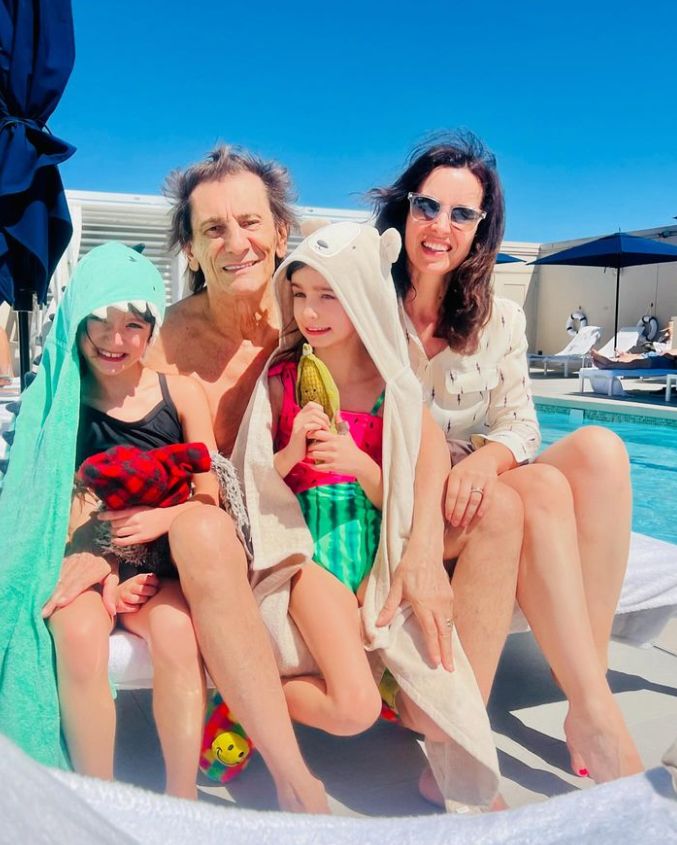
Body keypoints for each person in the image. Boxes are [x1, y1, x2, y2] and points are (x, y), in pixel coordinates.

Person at [38, 148, 328, 813]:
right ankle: (290, 781)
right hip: (185, 544)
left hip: (283, 533)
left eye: (250, 222)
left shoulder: (312, 320)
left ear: (281, 233)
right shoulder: (160, 346)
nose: (236, 243)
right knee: (198, 528)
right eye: (213, 230)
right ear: (191, 250)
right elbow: (96, 464)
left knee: (348, 701)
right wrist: (93, 547)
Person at [369, 131, 643, 789]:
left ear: (482, 227)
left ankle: (588, 687)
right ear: (404, 208)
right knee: (537, 492)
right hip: (401, 491)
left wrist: (481, 463)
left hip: (473, 478)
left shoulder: (499, 316)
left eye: (462, 214)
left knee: (597, 451)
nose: (440, 227)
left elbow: (519, 423)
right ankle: (591, 712)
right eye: (427, 206)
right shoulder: (362, 301)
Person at [235, 221, 501, 811]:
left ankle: (467, 779)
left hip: (369, 548)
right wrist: (290, 454)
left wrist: (360, 464)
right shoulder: (283, 379)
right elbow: (257, 486)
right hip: (310, 557)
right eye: (299, 294)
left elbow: (399, 499)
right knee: (354, 708)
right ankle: (241, 699)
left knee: (432, 699)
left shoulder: (393, 389)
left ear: (363, 296)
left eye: (330, 295)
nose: (311, 311)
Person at [0, 244, 212, 797]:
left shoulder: (180, 393)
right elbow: (49, 499)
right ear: (78, 317)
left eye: (133, 324)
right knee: (76, 633)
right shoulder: (60, 403)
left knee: (177, 632)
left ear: (152, 327)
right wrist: (103, 567)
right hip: (85, 557)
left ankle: (181, 800)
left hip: (160, 566)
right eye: (99, 321)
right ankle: (99, 796)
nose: (115, 340)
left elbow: (211, 490)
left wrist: (166, 518)